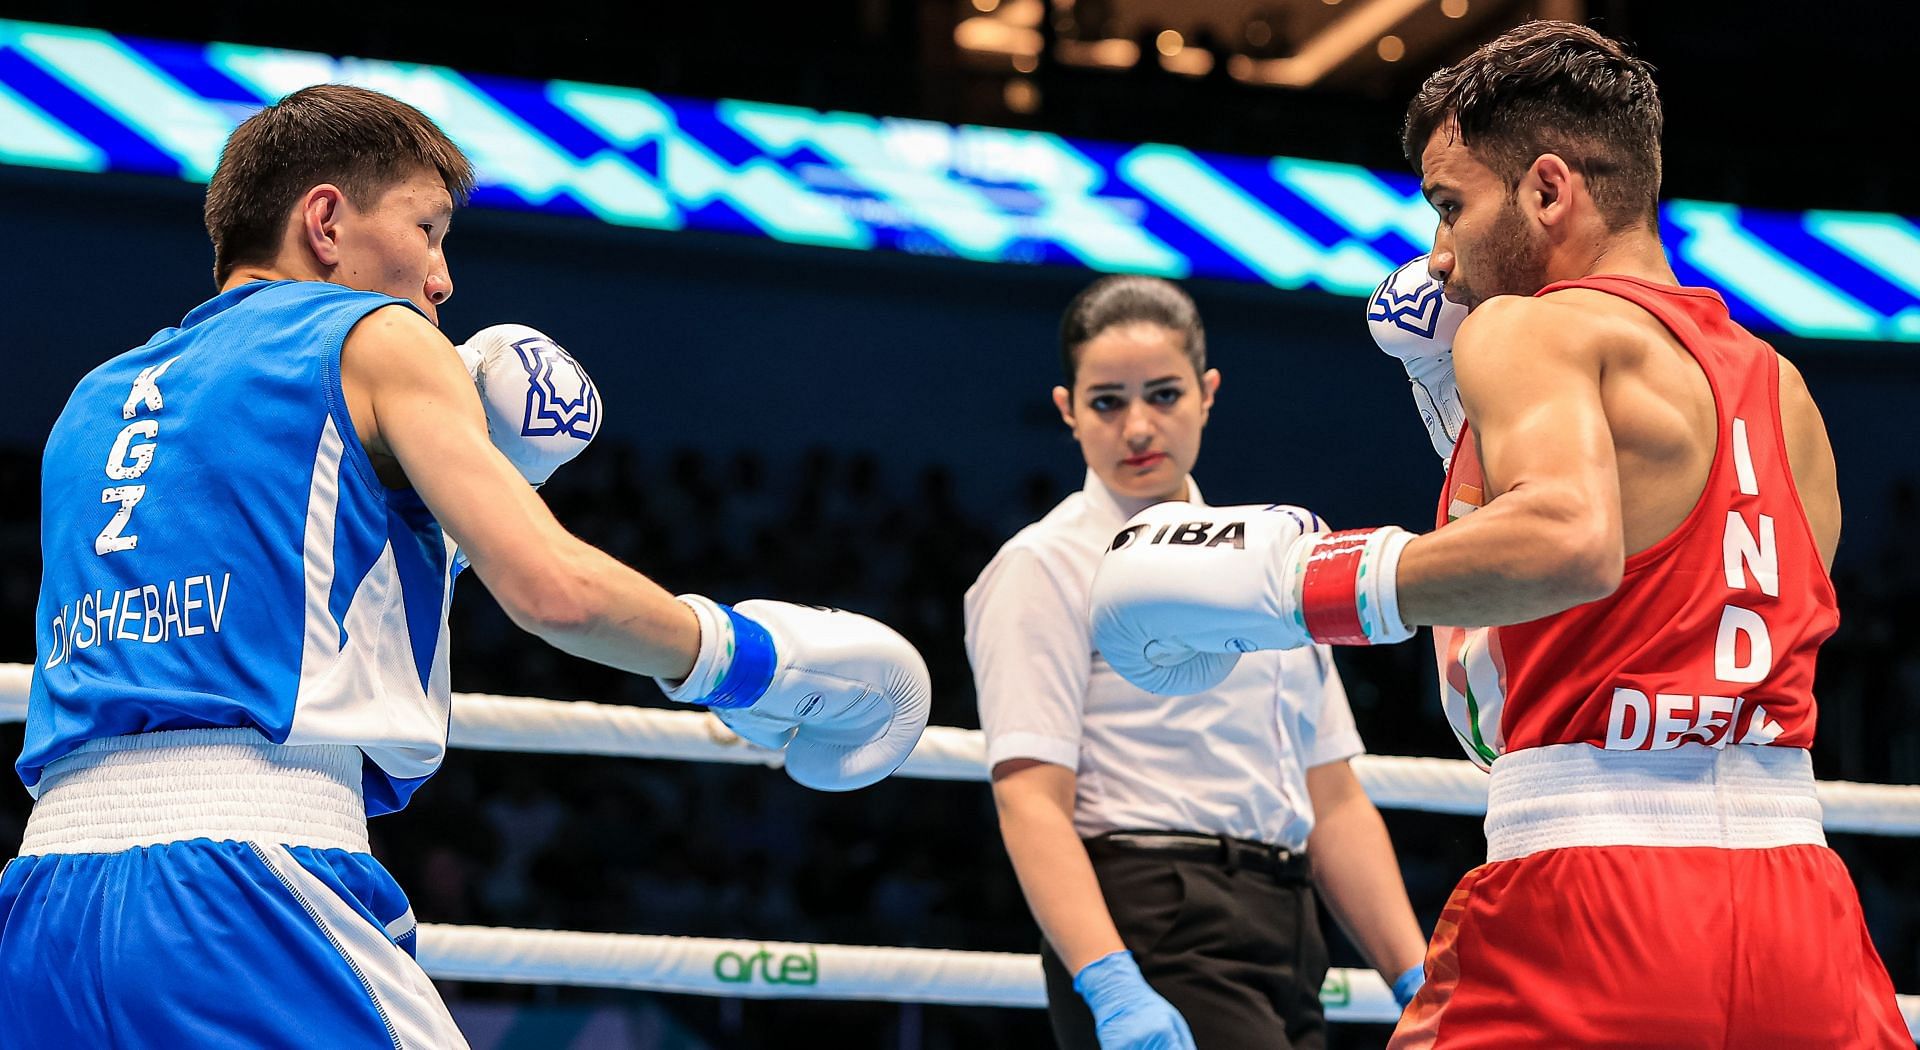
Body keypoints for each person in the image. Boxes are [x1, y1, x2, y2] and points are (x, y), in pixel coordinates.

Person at [2, 84, 930, 1047]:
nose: (442, 279)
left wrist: (443, 519)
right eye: (429, 228)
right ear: (326, 220)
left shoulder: (92, 402)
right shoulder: (373, 333)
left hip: (43, 912)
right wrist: (755, 660)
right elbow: (553, 589)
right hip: (247, 881)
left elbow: (298, 607)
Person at [1085, 21, 1910, 1047]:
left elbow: (1567, 543)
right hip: (1804, 917)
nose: (1438, 254)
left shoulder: (1528, 328)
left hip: (1593, 901)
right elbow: (1565, 657)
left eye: (1449, 205)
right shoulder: (1783, 393)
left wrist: (1292, 583)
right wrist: (1461, 440)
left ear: (1548, 190)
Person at [965, 275, 1427, 1050]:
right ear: (1068, 411)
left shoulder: (1271, 560)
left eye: (1165, 395)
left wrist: (1418, 981)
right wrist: (1108, 978)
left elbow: (1334, 796)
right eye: (1108, 401)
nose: (1138, 426)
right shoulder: (1041, 566)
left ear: (1208, 394)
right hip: (1151, 918)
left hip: (1291, 927)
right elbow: (1029, 799)